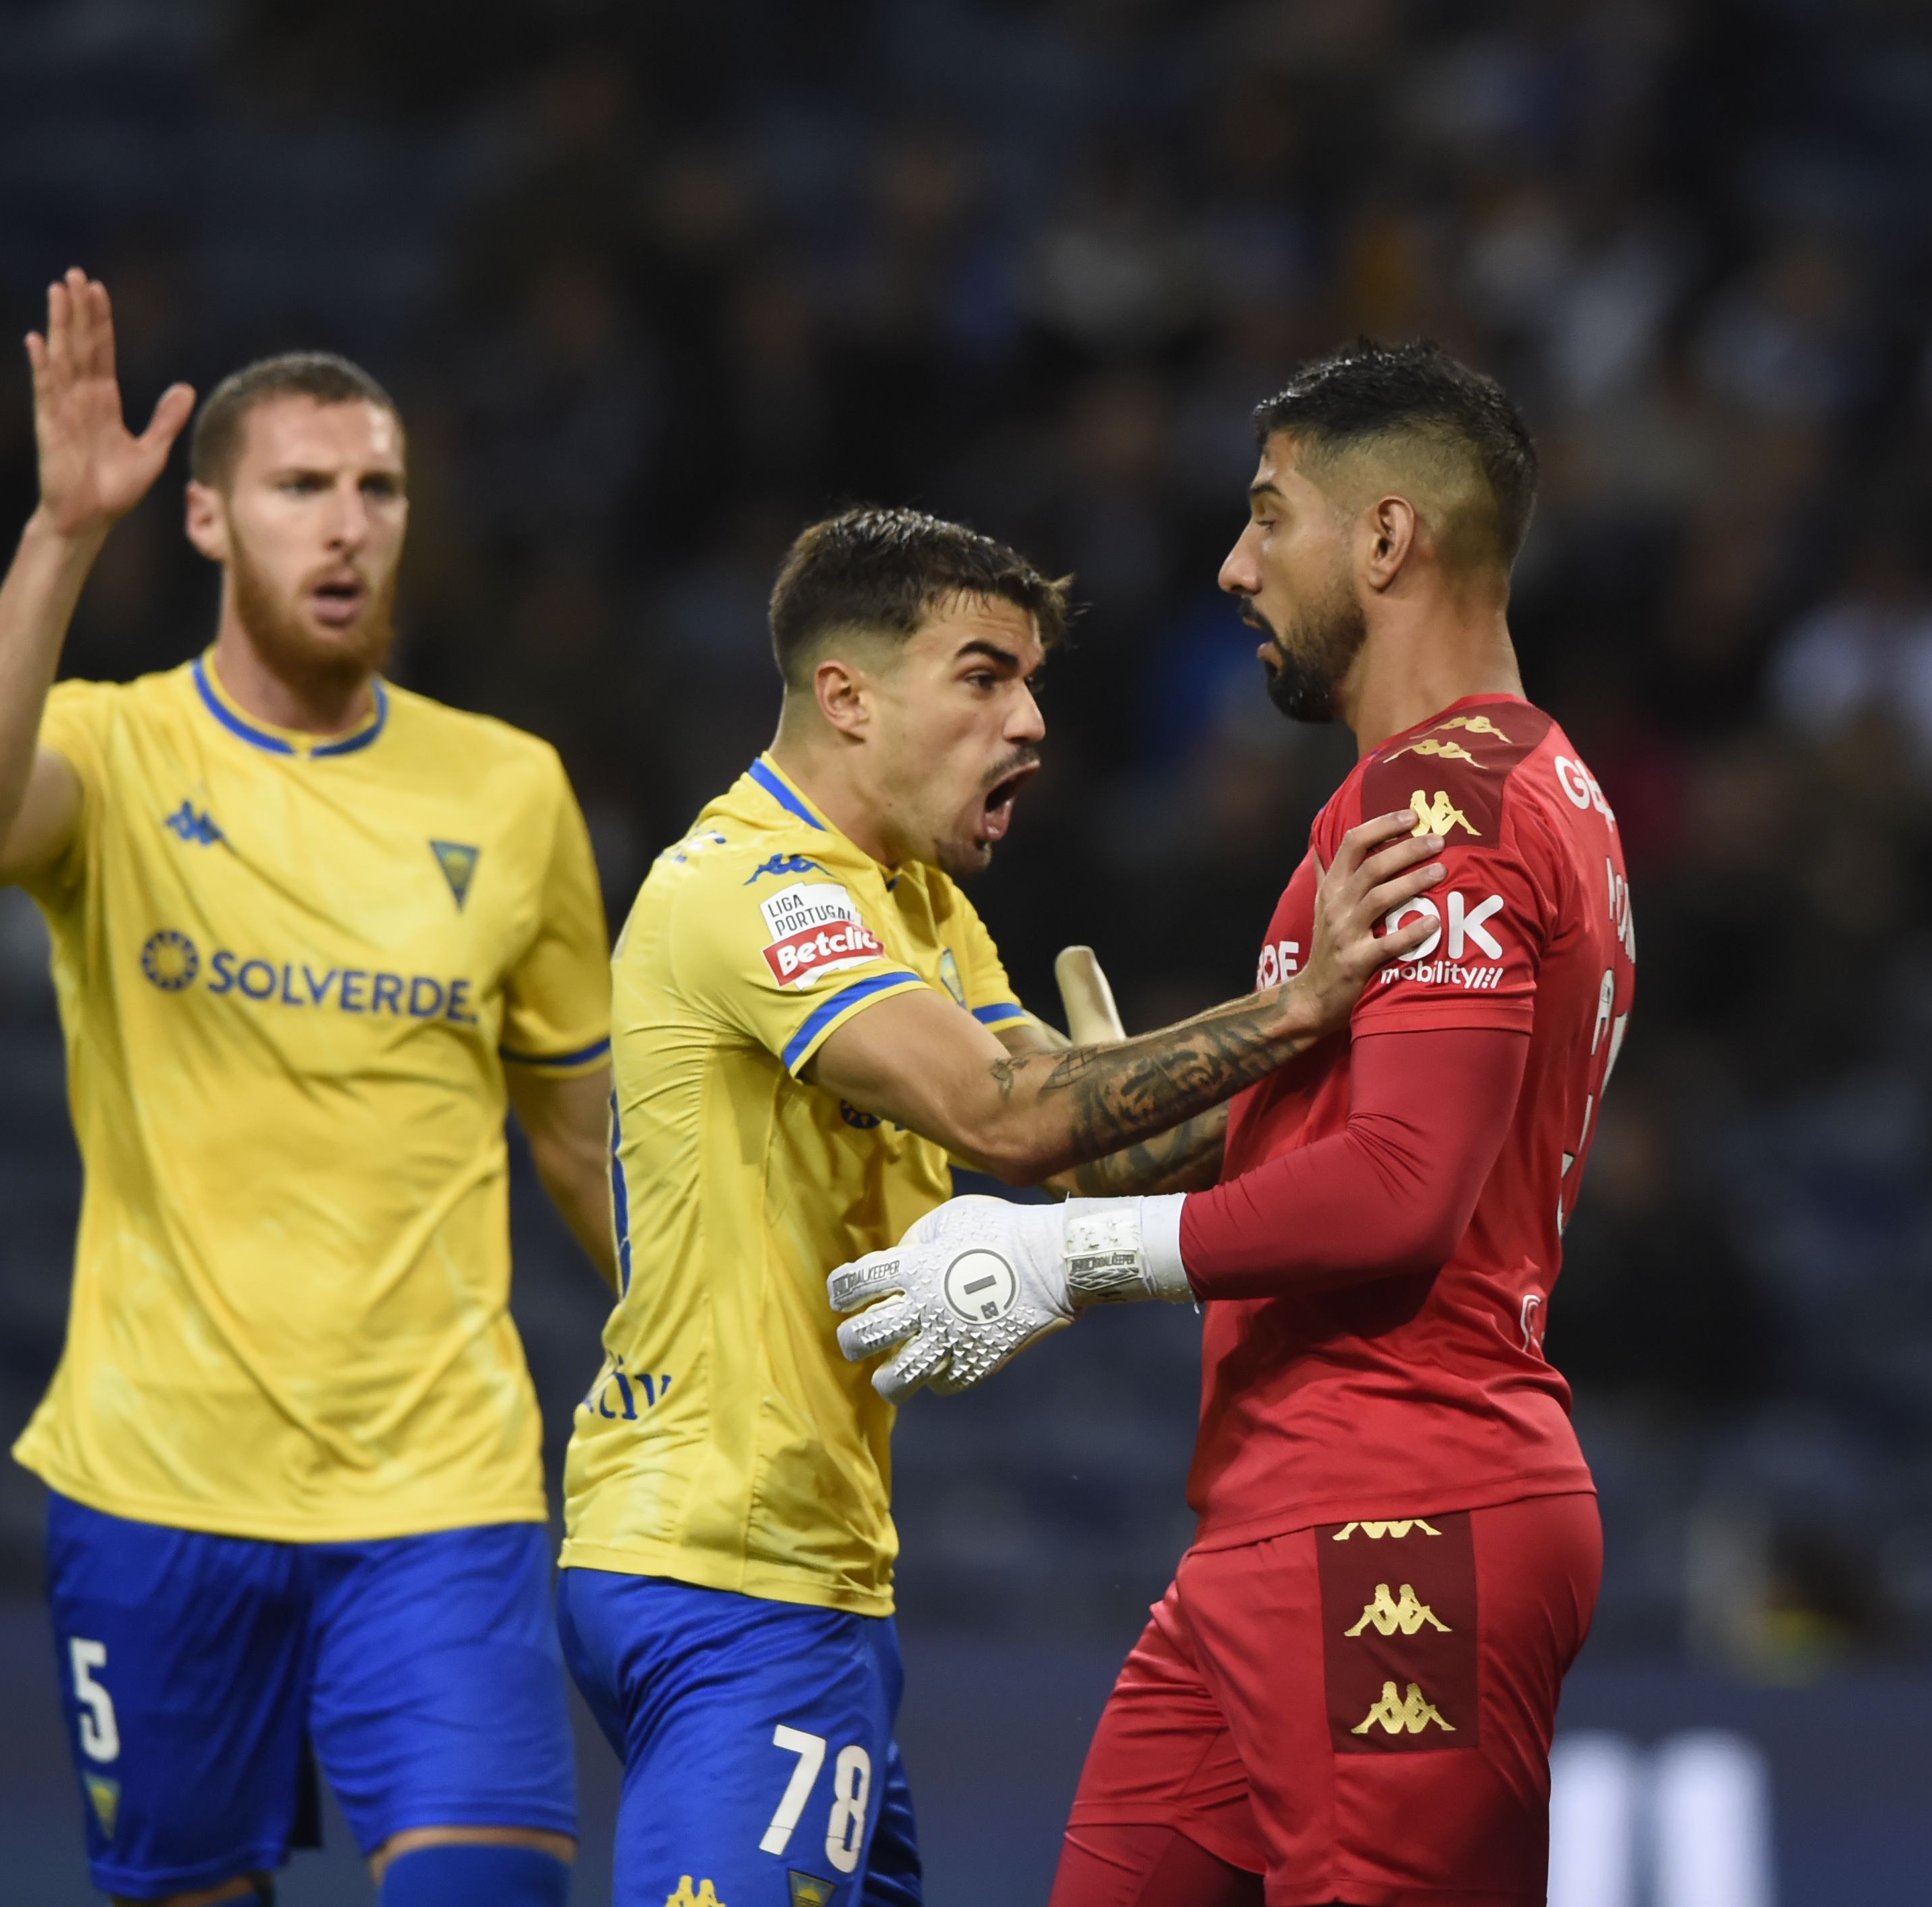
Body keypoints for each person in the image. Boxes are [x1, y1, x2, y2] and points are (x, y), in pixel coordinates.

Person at [829, 342, 1640, 1907]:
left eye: (1271, 518)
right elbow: (1367, 1122)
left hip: (1397, 1500)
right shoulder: (1525, 784)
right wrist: (1170, 1112)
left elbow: (1404, 1189)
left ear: (1386, 540)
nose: (1233, 562)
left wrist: (1072, 1256)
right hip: (1284, 1510)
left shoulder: (1445, 809)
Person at [557, 504, 1448, 1907]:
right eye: (984, 675)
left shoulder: (913, 904)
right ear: (847, 698)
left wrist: (1392, 1064)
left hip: (810, 1572)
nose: (1029, 719)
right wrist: (1299, 1008)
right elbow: (1006, 1113)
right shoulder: (756, 888)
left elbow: (1092, 1151)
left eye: (1030, 679)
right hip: (731, 1572)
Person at [0, 270, 614, 1907]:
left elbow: (578, 1136)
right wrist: (64, 533)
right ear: (212, 519)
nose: (347, 523)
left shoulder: (511, 791)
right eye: (303, 486)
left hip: (441, 1488)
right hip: (154, 1482)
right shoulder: (114, 752)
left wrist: (710, 1342)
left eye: (377, 487)